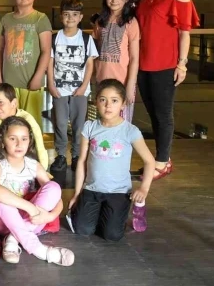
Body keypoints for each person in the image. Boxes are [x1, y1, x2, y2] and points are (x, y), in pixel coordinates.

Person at [135, 0, 200, 180]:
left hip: (165, 65)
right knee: (153, 114)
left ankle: (162, 163)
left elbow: (184, 33)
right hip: (143, 64)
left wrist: (182, 64)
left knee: (163, 114)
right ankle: (163, 159)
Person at [67, 79, 156, 241]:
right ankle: (98, 211)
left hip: (119, 192)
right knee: (82, 229)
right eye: (103, 100)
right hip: (91, 189)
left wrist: (144, 189)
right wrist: (77, 194)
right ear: (96, 102)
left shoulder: (130, 131)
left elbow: (149, 161)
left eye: (114, 101)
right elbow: (82, 161)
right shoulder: (89, 127)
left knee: (112, 235)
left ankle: (132, 210)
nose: (108, 105)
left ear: (123, 104)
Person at [0, 116, 75, 266]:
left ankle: (12, 240)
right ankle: (41, 250)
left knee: (54, 187)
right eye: (13, 138)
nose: (19, 144)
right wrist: (30, 208)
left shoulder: (33, 165)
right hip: (3, 222)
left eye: (24, 139)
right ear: (2, 141)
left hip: (33, 221)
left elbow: (56, 196)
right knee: (0, 197)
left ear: (29, 141)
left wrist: (50, 216)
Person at [46, 0, 98, 182]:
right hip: (60, 89)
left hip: (79, 90)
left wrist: (84, 86)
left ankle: (76, 155)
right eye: (66, 14)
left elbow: (90, 64)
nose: (70, 18)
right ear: (61, 17)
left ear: (80, 17)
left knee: (78, 124)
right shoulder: (55, 38)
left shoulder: (86, 39)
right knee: (60, 123)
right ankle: (61, 154)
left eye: (74, 15)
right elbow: (50, 62)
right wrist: (50, 84)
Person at [0, 0, 52, 126]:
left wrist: (38, 77)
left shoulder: (40, 19)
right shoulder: (6, 19)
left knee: (31, 124)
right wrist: (0, 79)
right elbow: (0, 51)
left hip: (31, 83)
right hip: (9, 84)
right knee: (8, 123)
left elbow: (46, 50)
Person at [93, 0, 140, 123]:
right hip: (102, 82)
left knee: (121, 124)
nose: (114, 0)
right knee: (103, 123)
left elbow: (134, 58)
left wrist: (130, 85)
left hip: (122, 83)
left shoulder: (131, 22)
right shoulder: (100, 22)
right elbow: (94, 53)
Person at [0, 83, 48, 170]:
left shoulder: (27, 121)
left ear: (14, 103)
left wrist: (42, 171)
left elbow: (40, 148)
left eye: (0, 102)